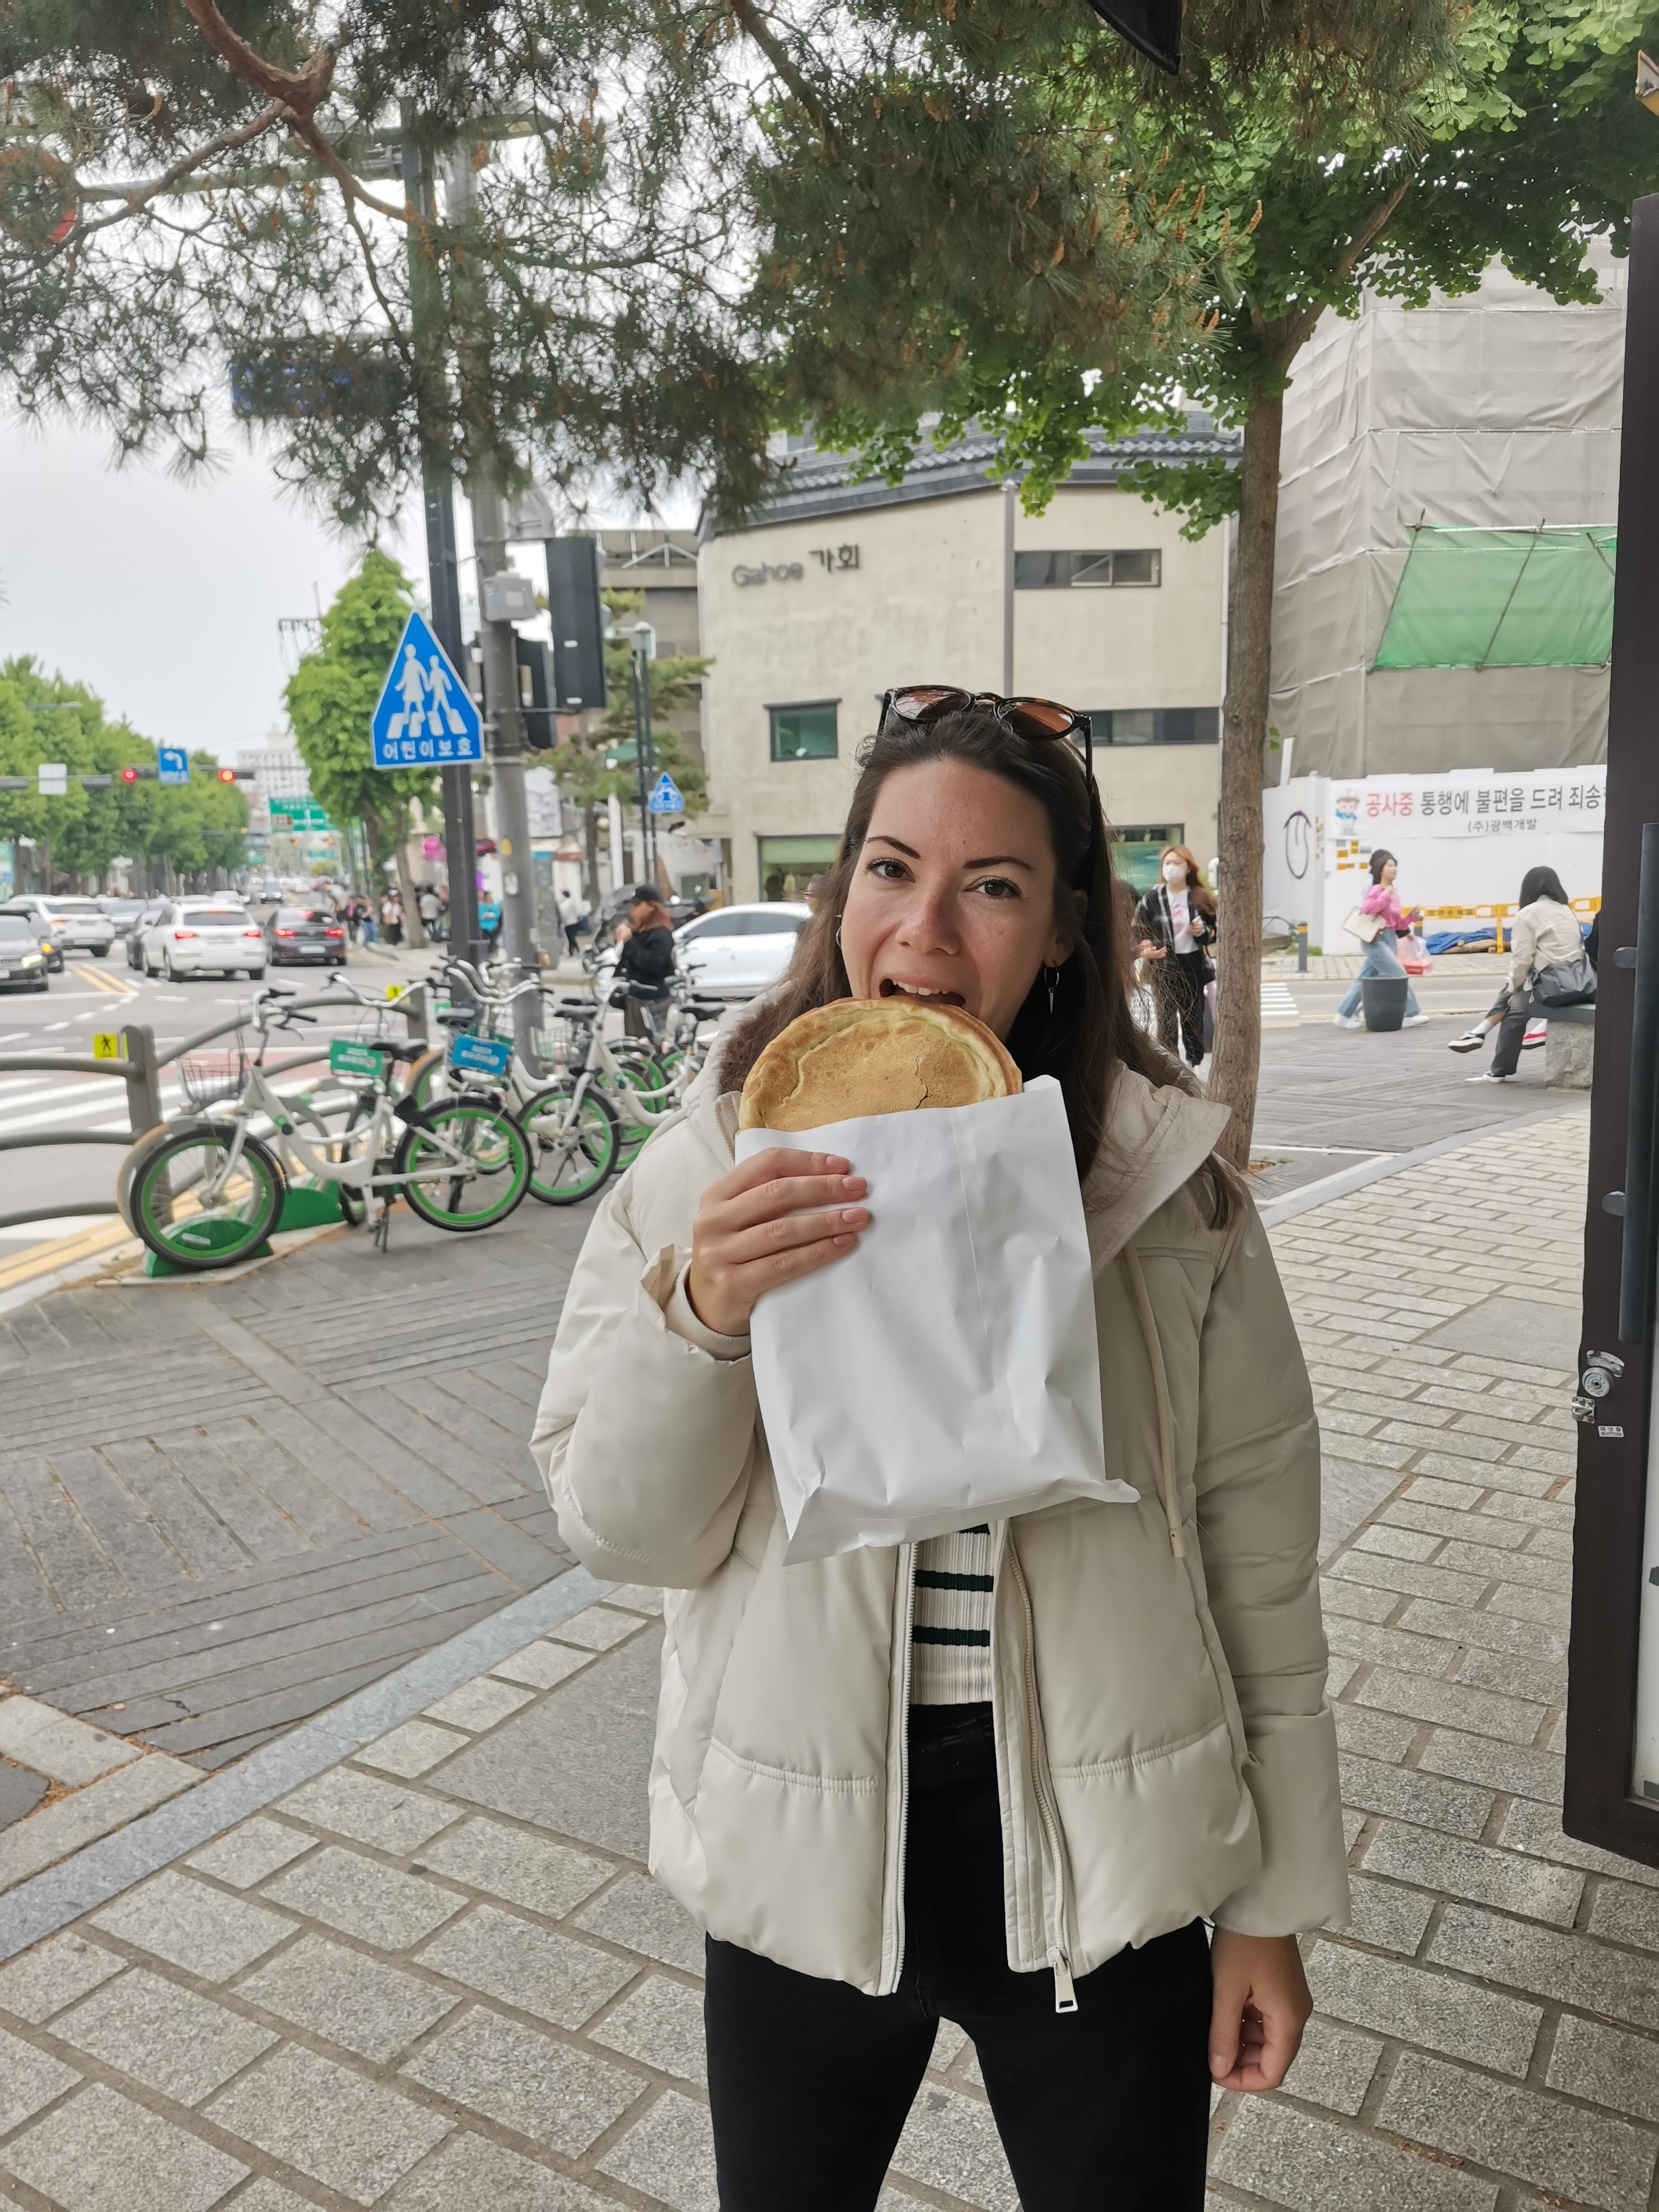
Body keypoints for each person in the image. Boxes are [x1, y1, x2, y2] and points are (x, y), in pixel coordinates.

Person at [533, 693, 1347, 2212]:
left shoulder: (1167, 1193)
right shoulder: (717, 1157)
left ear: (1062, 931)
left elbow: (1259, 1566)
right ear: (840, 896)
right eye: (890, 871)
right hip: (802, 1850)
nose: (925, 932)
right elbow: (619, 1527)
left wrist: (1269, 1907)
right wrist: (704, 1312)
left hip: (1111, 1860)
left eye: (993, 887)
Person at [1458, 865, 1592, 1083]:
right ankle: (1480, 1031)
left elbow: (1521, 959)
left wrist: (1513, 987)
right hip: (1579, 980)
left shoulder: (1527, 914)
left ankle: (1494, 1060)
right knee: (1515, 990)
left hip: (1551, 986)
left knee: (1514, 1013)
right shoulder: (1566, 911)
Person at [1132, 844, 1217, 1067]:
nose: (1171, 868)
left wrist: (1202, 932)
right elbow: (1137, 930)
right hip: (1163, 967)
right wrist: (1145, 947)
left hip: (1193, 966)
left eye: (1176, 863)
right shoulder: (1152, 899)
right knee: (1166, 1024)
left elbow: (1214, 934)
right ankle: (1171, 1071)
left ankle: (1194, 1066)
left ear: (1188, 867)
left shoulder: (1199, 898)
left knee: (1193, 1023)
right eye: (1167, 863)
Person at [1332, 849, 1429, 1029]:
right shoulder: (1376, 889)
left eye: (1395, 866)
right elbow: (1368, 910)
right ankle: (1411, 1014)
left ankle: (1344, 1015)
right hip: (1376, 940)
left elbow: (1396, 921)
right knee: (1398, 974)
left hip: (1389, 938)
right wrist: (1386, 894)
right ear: (1381, 869)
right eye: (1390, 866)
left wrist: (1410, 919)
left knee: (1365, 979)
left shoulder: (1394, 893)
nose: (1394, 869)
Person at [613, 886, 676, 1039]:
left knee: (650, 1048)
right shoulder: (639, 931)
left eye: (637, 905)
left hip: (654, 1001)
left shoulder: (661, 934)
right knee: (635, 1047)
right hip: (636, 998)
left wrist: (630, 941)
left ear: (651, 907)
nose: (633, 910)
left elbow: (652, 964)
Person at [557, 886, 582, 959]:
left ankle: (572, 951)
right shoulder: (571, 902)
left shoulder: (567, 903)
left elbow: (563, 913)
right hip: (573, 922)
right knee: (572, 938)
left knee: (571, 938)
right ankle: (575, 950)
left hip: (569, 923)